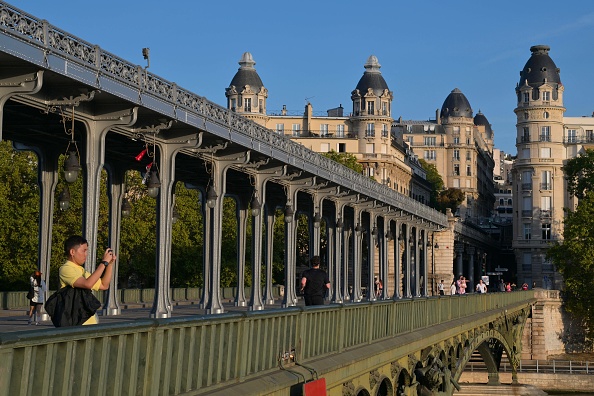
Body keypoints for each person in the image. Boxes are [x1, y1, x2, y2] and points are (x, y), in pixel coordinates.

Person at [58, 235, 116, 325]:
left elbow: (104, 285)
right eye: (84, 251)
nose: (86, 254)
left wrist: (109, 264)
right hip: (77, 323)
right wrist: (103, 262)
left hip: (89, 322)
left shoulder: (82, 270)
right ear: (72, 252)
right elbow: (87, 284)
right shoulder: (66, 269)